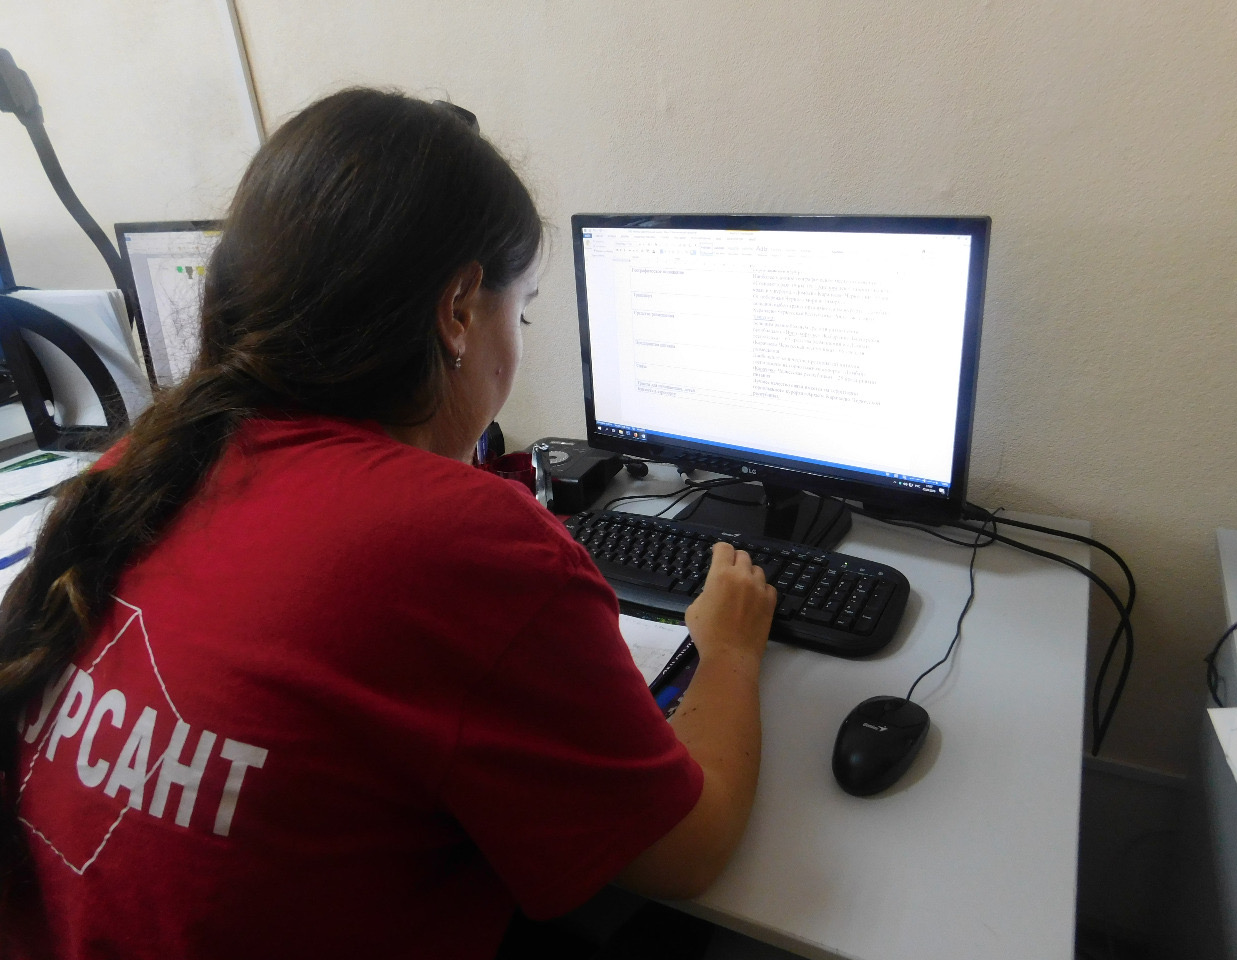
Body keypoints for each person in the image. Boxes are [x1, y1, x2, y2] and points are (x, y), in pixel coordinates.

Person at [0, 88, 776, 959]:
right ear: (459, 310)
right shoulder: (457, 538)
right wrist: (730, 646)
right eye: (520, 310)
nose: (517, 342)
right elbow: (687, 853)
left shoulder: (138, 467)